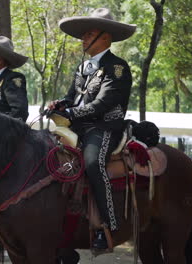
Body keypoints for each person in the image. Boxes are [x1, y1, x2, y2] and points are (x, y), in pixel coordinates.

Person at [49, 8, 136, 250]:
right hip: (76, 127)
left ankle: (109, 223)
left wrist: (72, 113)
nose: (83, 39)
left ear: (105, 38)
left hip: (104, 126)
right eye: (84, 35)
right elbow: (71, 98)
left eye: (89, 34)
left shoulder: (117, 67)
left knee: (92, 163)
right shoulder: (82, 67)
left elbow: (104, 103)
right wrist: (59, 105)